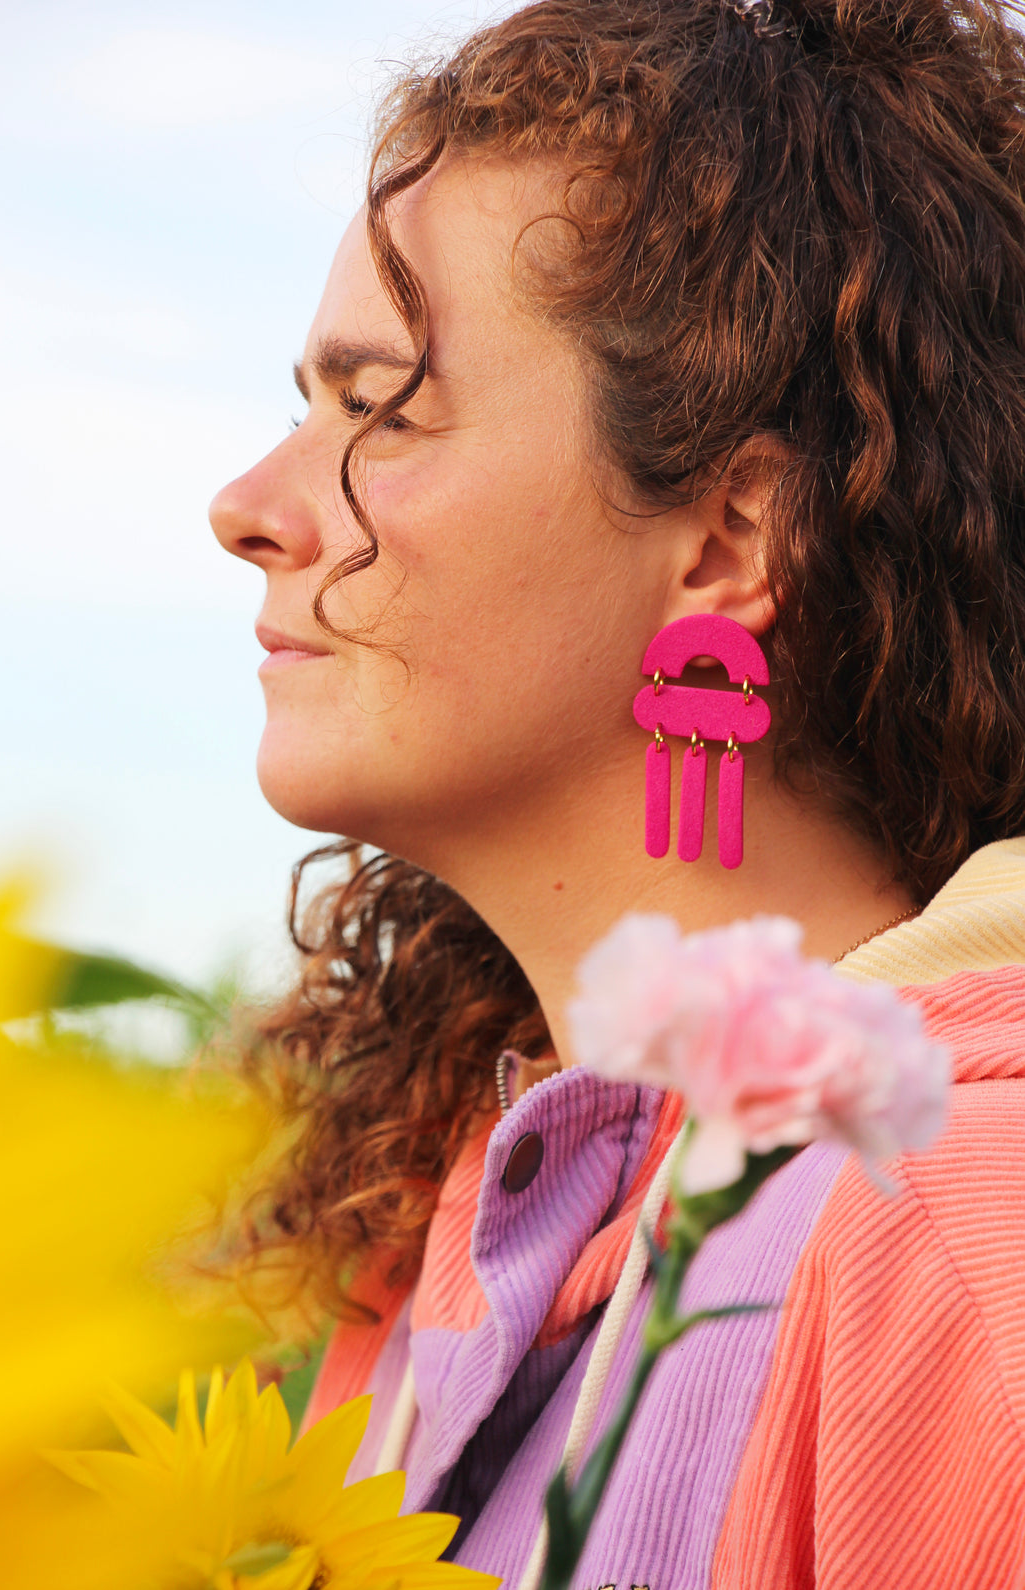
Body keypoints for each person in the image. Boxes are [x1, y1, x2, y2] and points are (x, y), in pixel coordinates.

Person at [208, 0, 1025, 1583]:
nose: (248, 505)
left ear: (727, 540)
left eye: (383, 408)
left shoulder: (954, 1257)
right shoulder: (465, 1227)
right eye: (307, 404)